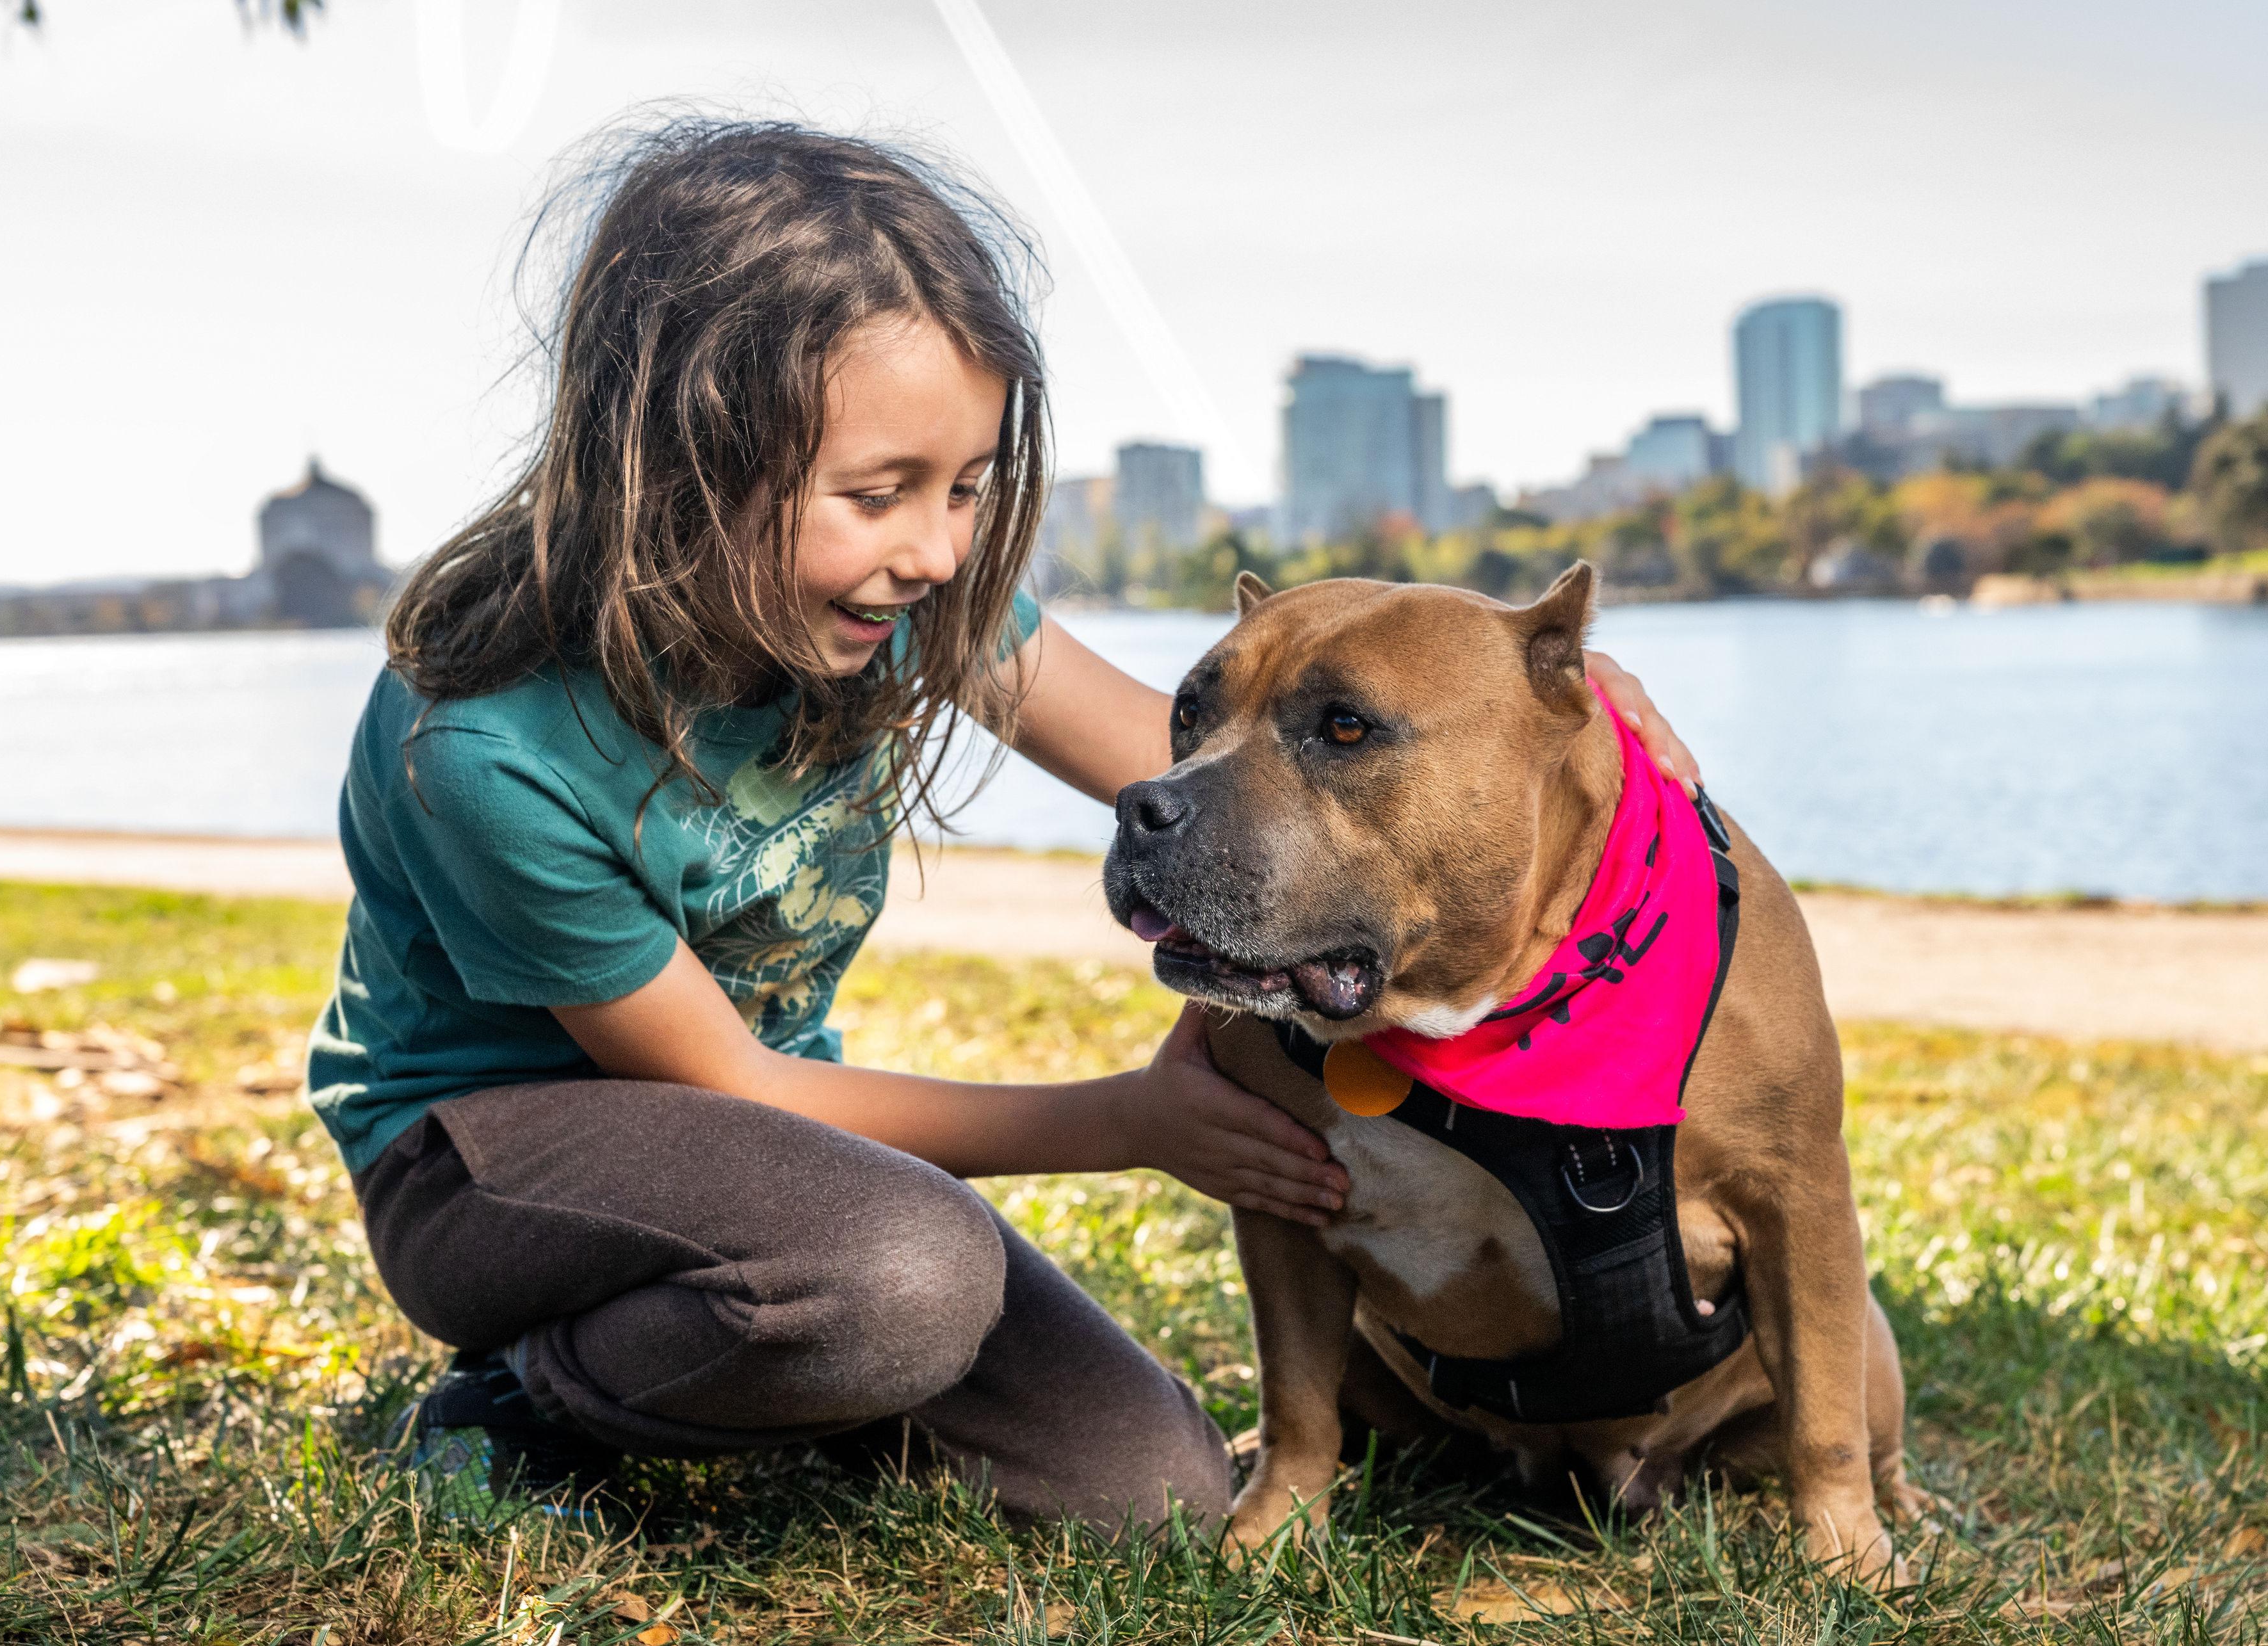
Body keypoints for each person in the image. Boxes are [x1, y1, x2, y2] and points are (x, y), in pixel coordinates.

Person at [306, 117, 1700, 1538]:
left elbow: (1208, 770)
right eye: (879, 494)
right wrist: (1129, 1121)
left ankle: (791, 1352)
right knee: (906, 1273)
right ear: (676, 460)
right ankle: (534, 1393)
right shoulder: (483, 743)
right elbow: (731, 1084)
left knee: (1141, 1487)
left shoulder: (898, 606)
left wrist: (1520, 712)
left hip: (766, 1173)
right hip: (484, 1163)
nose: (940, 549)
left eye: (967, 486)